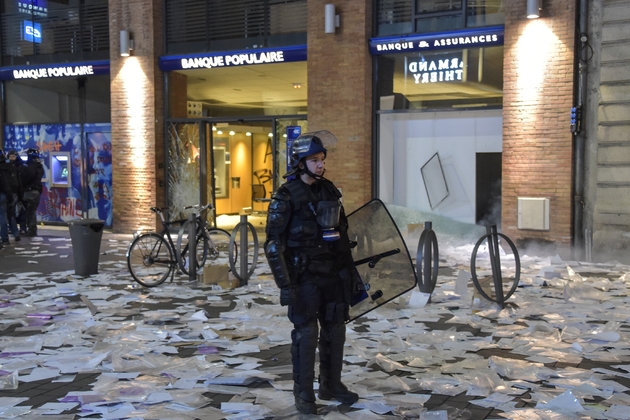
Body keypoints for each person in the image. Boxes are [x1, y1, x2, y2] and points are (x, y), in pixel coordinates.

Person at [264, 131, 361, 414]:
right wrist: (285, 284)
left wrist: (350, 273)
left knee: (335, 330)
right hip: (304, 277)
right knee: (306, 335)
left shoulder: (329, 190)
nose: (320, 165)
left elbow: (342, 235)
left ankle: (331, 384)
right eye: (314, 160)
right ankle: (304, 395)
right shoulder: (285, 196)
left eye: (321, 159)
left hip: (333, 275)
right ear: (300, 162)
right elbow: (273, 245)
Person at [21, 148, 44, 237]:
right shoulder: (40, 167)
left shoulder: (30, 167)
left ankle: (31, 230)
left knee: (29, 212)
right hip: (37, 190)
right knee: (32, 211)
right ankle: (31, 229)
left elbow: (25, 179)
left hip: (29, 191)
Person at [0, 150, 21, 243]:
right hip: (6, 194)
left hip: (6, 193)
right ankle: (9, 236)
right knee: (8, 215)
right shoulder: (10, 167)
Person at [8, 151, 27, 235]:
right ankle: (14, 228)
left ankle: (21, 228)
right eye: (10, 157)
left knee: (20, 211)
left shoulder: (20, 167)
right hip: (14, 192)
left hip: (19, 192)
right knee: (12, 211)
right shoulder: (9, 167)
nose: (11, 158)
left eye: (13, 157)